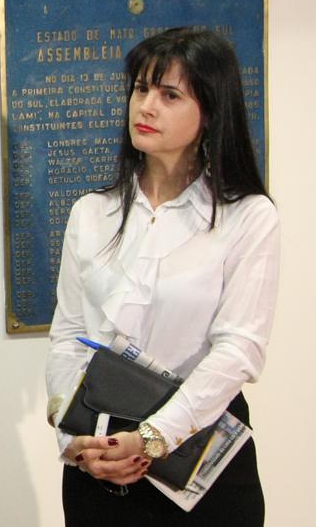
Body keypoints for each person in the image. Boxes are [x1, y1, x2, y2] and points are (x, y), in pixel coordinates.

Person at [45, 28, 279, 525]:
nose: (146, 107)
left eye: (170, 95)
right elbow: (69, 336)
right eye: (140, 89)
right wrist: (75, 439)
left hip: (199, 455)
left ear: (210, 111)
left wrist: (152, 437)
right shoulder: (92, 212)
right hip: (102, 457)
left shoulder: (247, 216)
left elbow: (239, 349)